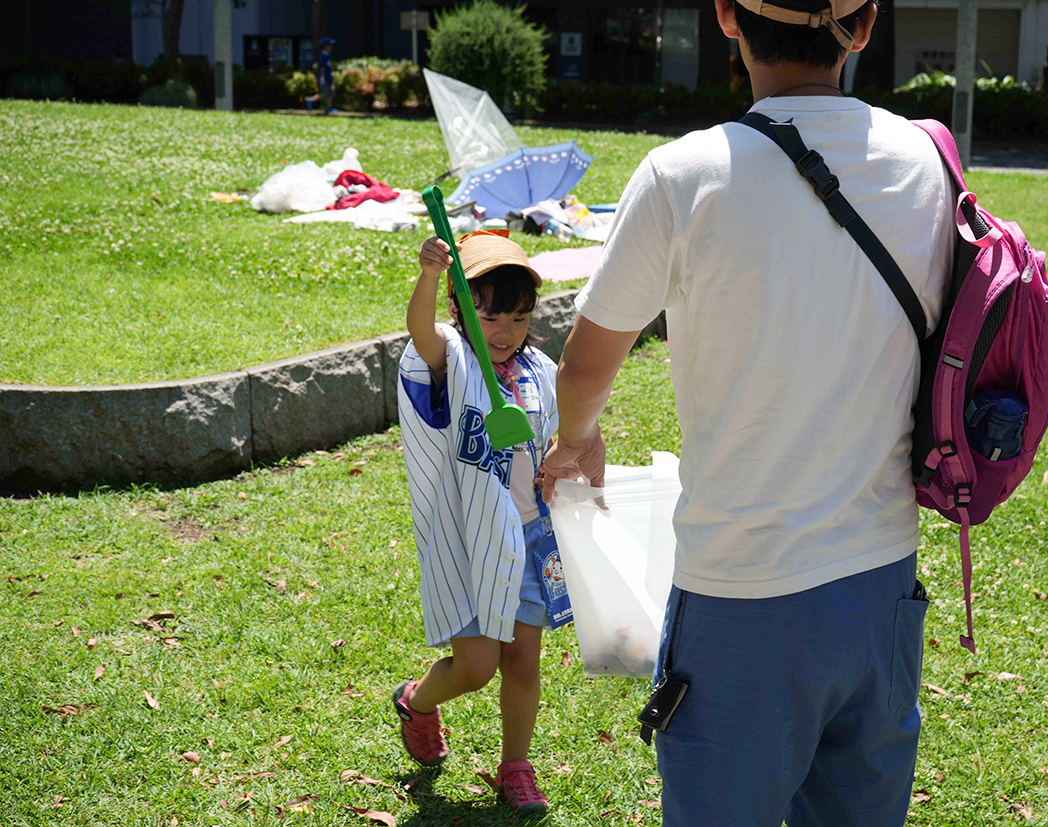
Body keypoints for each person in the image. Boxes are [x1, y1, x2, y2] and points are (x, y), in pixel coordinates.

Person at [540, 0, 955, 824]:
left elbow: (586, 362)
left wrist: (577, 440)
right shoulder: (926, 160)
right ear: (864, 26)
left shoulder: (682, 175)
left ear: (728, 18)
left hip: (742, 590)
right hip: (882, 583)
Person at [392, 230, 559, 815]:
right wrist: (431, 277)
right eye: (490, 316)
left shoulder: (539, 369)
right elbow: (421, 332)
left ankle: (516, 767)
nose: (505, 332)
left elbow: (557, 438)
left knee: (523, 660)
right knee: (477, 666)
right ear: (464, 311)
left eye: (518, 317)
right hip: (469, 540)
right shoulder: (452, 356)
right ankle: (417, 700)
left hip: (531, 536)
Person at [305, 37, 336, 113]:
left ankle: (329, 107)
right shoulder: (323, 56)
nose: (331, 47)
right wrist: (322, 77)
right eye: (329, 45)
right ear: (325, 47)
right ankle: (311, 100)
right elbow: (322, 68)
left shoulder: (328, 56)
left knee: (330, 93)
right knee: (324, 94)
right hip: (325, 78)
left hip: (329, 78)